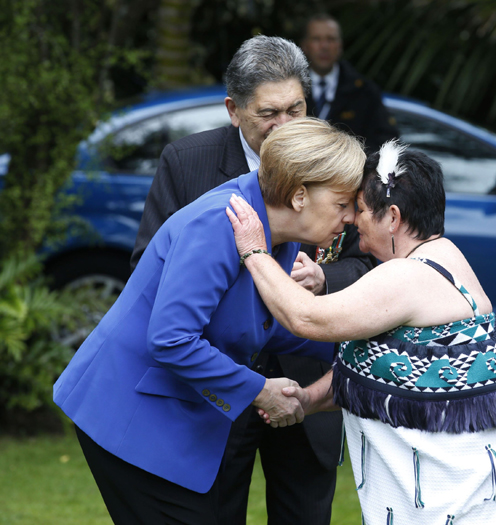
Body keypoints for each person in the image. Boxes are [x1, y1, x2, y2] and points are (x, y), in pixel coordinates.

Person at [226, 142, 496, 524]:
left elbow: (306, 319)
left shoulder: (406, 276)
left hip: (455, 499)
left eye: (362, 210)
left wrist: (254, 252)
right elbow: (386, 365)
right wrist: (309, 399)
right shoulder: (445, 255)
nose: (352, 219)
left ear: (393, 217)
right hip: (480, 486)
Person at [54, 118, 365, 524]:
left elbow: (262, 327)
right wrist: (259, 391)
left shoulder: (279, 234)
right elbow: (171, 340)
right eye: (343, 205)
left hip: (171, 419)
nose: (352, 219)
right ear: (300, 195)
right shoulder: (221, 222)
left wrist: (364, 346)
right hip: (129, 417)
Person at [130, 36, 373, 524]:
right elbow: (148, 266)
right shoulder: (187, 162)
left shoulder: (338, 163)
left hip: (306, 382)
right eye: (269, 113)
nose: (285, 125)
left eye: (296, 109)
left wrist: (325, 277)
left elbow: (371, 260)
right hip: (214, 391)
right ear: (233, 110)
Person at [301, 13, 398, 152]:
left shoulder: (364, 91)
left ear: (340, 45)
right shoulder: (291, 88)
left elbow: (386, 142)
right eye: (316, 39)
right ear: (304, 45)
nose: (324, 46)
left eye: (331, 39)